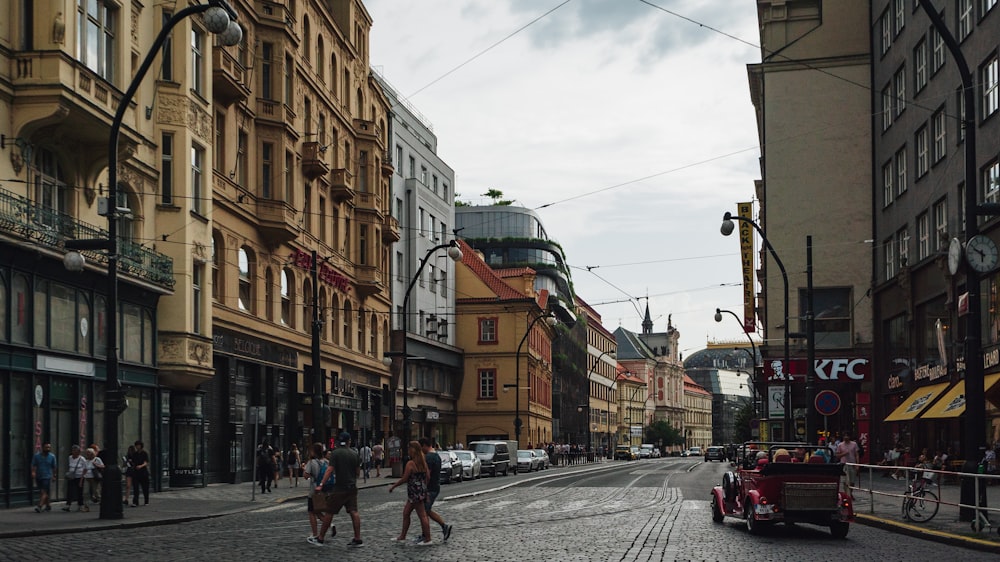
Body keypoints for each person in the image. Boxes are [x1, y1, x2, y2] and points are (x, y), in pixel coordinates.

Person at [389, 440, 432, 546]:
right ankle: (402, 536)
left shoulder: (411, 463)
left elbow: (404, 478)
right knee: (406, 513)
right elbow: (428, 477)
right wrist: (423, 487)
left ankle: (428, 539)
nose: (408, 451)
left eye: (409, 449)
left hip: (414, 493)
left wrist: (394, 486)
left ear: (413, 450)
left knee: (422, 515)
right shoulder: (423, 462)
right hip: (419, 491)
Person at [420, 437, 454, 541]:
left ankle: (429, 534)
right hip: (435, 486)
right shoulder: (436, 456)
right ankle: (427, 533)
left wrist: (423, 487)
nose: (421, 450)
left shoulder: (429, 457)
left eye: (421, 447)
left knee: (424, 512)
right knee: (426, 511)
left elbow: (427, 474)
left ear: (425, 445)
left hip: (430, 488)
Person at [303, 443, 328, 544]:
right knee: (319, 511)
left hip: (314, 491)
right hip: (325, 490)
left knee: (312, 512)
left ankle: (315, 534)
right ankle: (330, 524)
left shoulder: (311, 462)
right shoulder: (327, 462)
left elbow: (306, 476)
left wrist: (304, 469)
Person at [31, 443, 57, 512]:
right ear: (42, 448)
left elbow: (54, 467)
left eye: (49, 447)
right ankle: (48, 505)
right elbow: (34, 465)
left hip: (47, 476)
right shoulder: (37, 456)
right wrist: (33, 472)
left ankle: (40, 506)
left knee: (44, 491)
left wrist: (54, 476)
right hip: (39, 476)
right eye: (46, 447)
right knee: (43, 492)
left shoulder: (52, 456)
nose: (48, 449)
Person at [835, 433, 861, 498]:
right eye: (845, 436)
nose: (846, 437)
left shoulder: (854, 444)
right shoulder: (840, 445)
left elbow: (857, 454)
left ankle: (850, 492)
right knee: (845, 481)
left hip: (852, 464)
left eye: (847, 436)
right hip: (844, 465)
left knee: (852, 481)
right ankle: (847, 494)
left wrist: (857, 464)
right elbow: (837, 456)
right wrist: (844, 454)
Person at [62, 445, 87, 512]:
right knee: (70, 491)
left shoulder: (82, 459)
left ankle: (80, 505)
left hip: (79, 477)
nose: (74, 452)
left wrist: (81, 479)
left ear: (79, 452)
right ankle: (68, 505)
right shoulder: (70, 457)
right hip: (71, 477)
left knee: (79, 491)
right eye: (73, 451)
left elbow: (85, 469)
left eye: (76, 451)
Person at [131, 440, 150, 507]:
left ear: (141, 446)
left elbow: (146, 462)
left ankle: (146, 501)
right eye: (136, 445)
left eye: (138, 445)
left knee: (145, 488)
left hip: (143, 472)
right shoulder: (134, 454)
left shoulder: (144, 453)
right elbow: (133, 462)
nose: (137, 447)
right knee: (136, 488)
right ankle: (135, 502)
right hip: (136, 473)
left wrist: (141, 466)